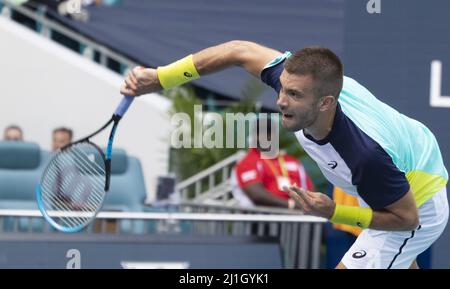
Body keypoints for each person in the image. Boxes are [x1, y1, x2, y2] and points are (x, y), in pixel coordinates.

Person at [120, 40, 448, 269]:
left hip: (416, 202)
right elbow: (237, 50)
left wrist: (335, 212)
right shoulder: (295, 83)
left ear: (325, 103)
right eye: (282, 89)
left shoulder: (364, 154)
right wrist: (161, 77)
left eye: (293, 94)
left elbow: (407, 219)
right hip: (397, 168)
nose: (280, 101)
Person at [232, 117, 315, 209]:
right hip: (263, 219)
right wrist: (290, 205)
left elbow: (310, 190)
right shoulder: (248, 162)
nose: (267, 137)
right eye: (262, 133)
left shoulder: (292, 161)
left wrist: (306, 205)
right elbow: (256, 195)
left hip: (298, 218)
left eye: (270, 133)